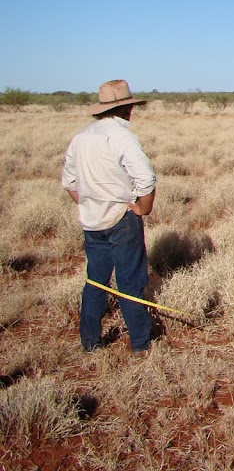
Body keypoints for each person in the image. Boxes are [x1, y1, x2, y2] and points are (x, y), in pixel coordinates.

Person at [61, 79, 157, 354]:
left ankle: (90, 343)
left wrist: (89, 203)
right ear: (127, 108)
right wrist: (143, 208)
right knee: (130, 283)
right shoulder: (121, 137)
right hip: (121, 218)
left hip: (91, 221)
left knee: (95, 281)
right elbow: (146, 179)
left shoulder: (80, 137)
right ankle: (140, 344)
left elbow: (69, 183)